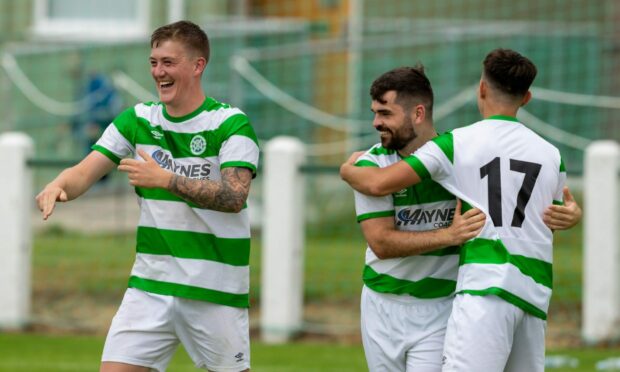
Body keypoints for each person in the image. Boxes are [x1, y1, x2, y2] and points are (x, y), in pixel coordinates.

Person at [36, 20, 258, 372]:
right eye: (154, 62)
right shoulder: (137, 120)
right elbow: (83, 172)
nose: (159, 72)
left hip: (212, 288)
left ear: (197, 65)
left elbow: (234, 196)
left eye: (168, 62)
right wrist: (58, 185)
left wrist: (166, 179)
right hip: (150, 285)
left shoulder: (230, 124)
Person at [342, 50, 580, 372]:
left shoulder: (457, 147)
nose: (375, 123)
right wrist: (573, 215)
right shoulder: (551, 154)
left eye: (384, 113)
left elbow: (378, 184)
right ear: (527, 97)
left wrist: (345, 171)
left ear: (481, 89)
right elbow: (546, 218)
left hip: (474, 292)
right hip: (530, 291)